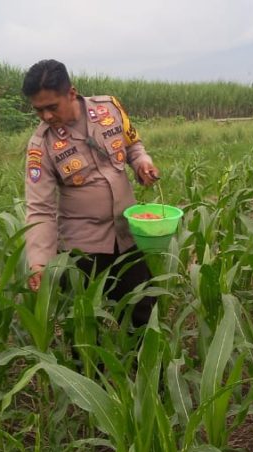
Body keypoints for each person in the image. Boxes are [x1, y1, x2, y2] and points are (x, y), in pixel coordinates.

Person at [21, 59, 160, 327]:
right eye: (39, 110)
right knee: (84, 326)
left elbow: (133, 146)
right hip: (82, 249)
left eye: (52, 107)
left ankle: (144, 367)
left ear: (71, 93)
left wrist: (142, 162)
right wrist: (39, 262)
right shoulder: (41, 146)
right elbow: (41, 209)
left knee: (143, 311)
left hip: (127, 234)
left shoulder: (109, 109)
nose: (47, 116)